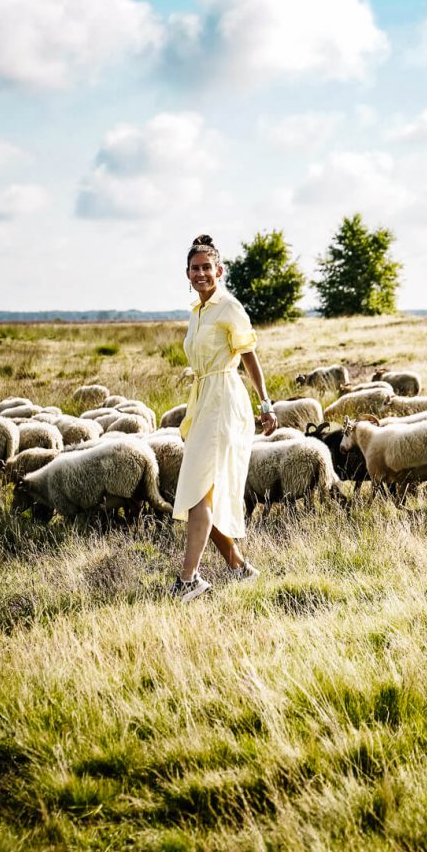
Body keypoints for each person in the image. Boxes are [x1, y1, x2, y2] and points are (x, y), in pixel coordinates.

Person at [170, 234, 277, 602]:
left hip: (225, 399)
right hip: (203, 400)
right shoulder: (197, 312)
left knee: (200, 488)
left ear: (220, 270)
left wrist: (266, 403)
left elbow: (249, 357)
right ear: (187, 273)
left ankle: (188, 580)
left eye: (207, 268)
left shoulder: (229, 307)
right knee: (198, 491)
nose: (201, 274)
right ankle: (239, 567)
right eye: (195, 268)